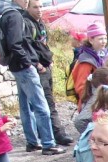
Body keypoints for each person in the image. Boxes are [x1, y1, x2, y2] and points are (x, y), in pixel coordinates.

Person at [0, 0, 65, 154]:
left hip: (16, 65)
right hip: (23, 66)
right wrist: (29, 63)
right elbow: (15, 44)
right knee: (41, 106)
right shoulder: (14, 15)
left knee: (25, 106)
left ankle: (32, 142)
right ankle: (48, 143)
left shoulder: (5, 12)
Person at [24, 0, 73, 146]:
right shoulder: (27, 24)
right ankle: (56, 134)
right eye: (35, 7)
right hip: (38, 70)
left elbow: (42, 44)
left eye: (41, 7)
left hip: (46, 67)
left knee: (45, 102)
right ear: (28, 8)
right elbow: (26, 47)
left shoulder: (39, 23)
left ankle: (45, 133)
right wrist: (38, 64)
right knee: (46, 103)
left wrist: (49, 61)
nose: (39, 10)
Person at [71, 22, 108, 109]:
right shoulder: (86, 60)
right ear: (91, 40)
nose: (104, 42)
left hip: (103, 99)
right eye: (100, 39)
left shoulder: (104, 55)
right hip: (92, 103)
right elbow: (81, 86)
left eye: (105, 38)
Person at [73, 66, 108, 133]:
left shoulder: (102, 94)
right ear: (104, 86)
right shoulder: (96, 98)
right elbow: (79, 121)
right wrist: (90, 135)